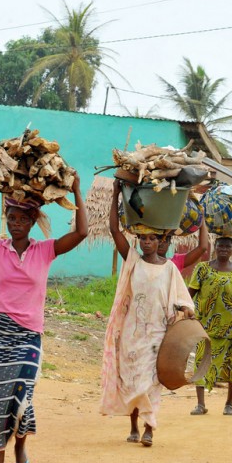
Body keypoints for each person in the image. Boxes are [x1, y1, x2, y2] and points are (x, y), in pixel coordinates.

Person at [0, 147, 88, 463]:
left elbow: (81, 234)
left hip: (28, 336)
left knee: (22, 396)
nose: (16, 224)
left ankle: (21, 448)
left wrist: (77, 189)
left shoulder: (44, 251)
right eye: (11, 218)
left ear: (33, 221)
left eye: (23, 219)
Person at [100, 181, 196, 447]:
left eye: (152, 238)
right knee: (131, 380)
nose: (147, 242)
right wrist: (116, 193)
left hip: (157, 337)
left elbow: (182, 300)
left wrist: (186, 312)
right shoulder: (133, 261)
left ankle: (149, 428)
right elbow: (113, 230)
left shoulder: (169, 270)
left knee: (151, 382)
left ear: (161, 240)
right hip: (132, 334)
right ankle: (132, 425)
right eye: (143, 238)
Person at [187, 236, 232, 416]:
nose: (224, 249)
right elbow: (190, 293)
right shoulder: (202, 269)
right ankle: (201, 404)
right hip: (205, 326)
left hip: (231, 328)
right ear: (215, 248)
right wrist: (185, 309)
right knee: (201, 362)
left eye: (227, 246)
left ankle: (229, 404)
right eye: (220, 246)